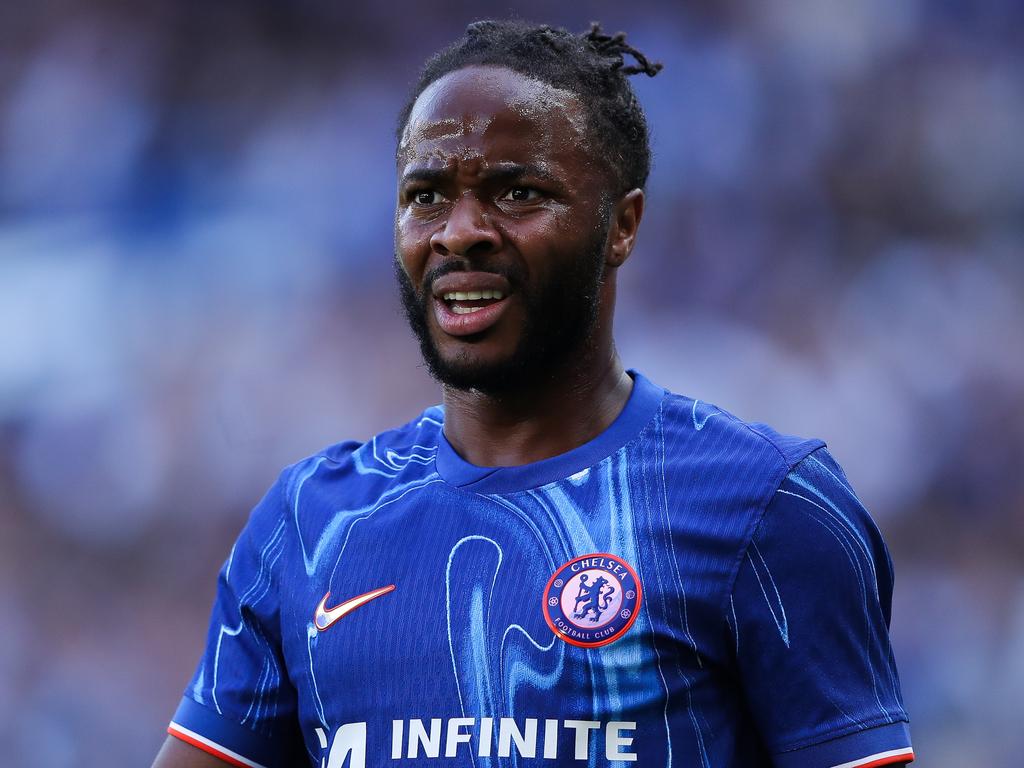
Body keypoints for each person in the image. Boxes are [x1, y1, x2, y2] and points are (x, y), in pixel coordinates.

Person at [152, 19, 913, 768]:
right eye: (426, 196)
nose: (459, 232)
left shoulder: (767, 506)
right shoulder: (311, 523)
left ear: (623, 225)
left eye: (517, 193)